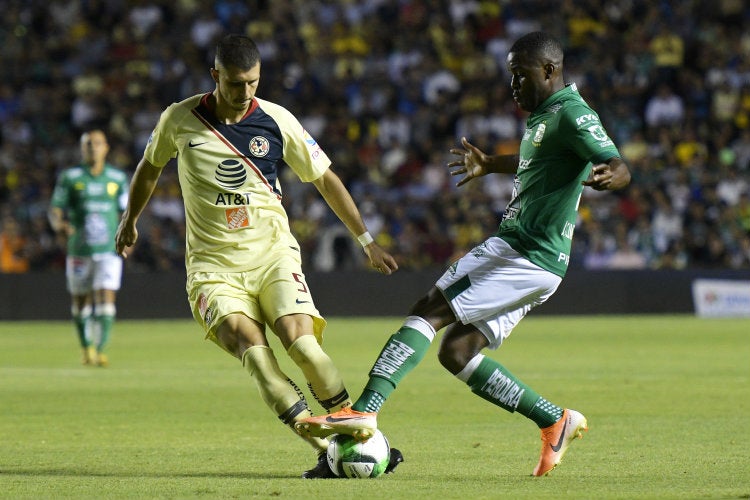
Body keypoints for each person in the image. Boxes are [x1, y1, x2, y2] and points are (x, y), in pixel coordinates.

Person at [296, 31, 632, 477]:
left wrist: (614, 173)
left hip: (524, 251)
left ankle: (364, 409)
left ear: (549, 70)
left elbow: (617, 162)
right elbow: (541, 161)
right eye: (510, 75)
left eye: (520, 75)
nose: (513, 85)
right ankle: (554, 419)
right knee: (457, 352)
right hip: (533, 257)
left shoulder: (572, 112)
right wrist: (492, 163)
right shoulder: (545, 116)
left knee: (429, 311)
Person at [114, 34, 402, 479]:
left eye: (252, 83)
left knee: (302, 343)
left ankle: (361, 433)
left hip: (272, 256)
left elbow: (325, 179)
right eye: (234, 83)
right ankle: (329, 449)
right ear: (215, 76)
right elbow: (149, 167)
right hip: (212, 269)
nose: (244, 92)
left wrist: (366, 240)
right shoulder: (180, 119)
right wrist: (130, 218)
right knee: (254, 351)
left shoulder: (276, 120)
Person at [48, 129, 129, 367]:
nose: (93, 147)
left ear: (106, 148)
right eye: (88, 144)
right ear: (82, 149)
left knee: (106, 296)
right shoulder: (71, 177)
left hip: (108, 249)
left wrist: (128, 233)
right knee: (81, 302)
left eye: (97, 143)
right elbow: (55, 209)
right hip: (79, 250)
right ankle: (87, 348)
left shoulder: (117, 178)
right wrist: (58, 225)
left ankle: (100, 350)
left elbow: (125, 211)